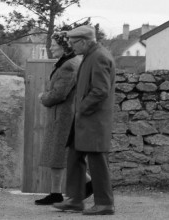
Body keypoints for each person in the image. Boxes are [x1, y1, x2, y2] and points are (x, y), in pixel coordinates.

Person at [53, 25, 116, 215]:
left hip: (94, 121)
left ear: (84, 41)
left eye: (74, 43)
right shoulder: (91, 55)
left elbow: (100, 90)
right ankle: (75, 200)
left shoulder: (99, 57)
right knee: (74, 156)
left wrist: (81, 108)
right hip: (85, 120)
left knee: (97, 161)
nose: (71, 47)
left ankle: (104, 204)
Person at [35, 32, 92, 205]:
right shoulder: (67, 62)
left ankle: (87, 184)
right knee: (58, 155)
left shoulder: (69, 65)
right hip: (63, 115)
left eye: (53, 44)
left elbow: (59, 94)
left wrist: (43, 97)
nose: (50, 47)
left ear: (64, 46)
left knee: (60, 154)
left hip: (64, 115)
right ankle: (57, 192)